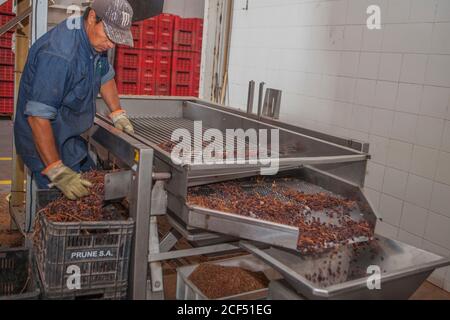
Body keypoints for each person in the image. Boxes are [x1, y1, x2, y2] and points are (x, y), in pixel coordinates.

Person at [13, 0, 135, 200]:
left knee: (93, 191)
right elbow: (38, 117)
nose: (111, 44)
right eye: (109, 36)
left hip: (68, 135)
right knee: (60, 206)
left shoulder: (92, 41)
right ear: (92, 17)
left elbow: (104, 75)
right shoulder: (60, 55)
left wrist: (117, 114)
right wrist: (56, 170)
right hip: (44, 140)